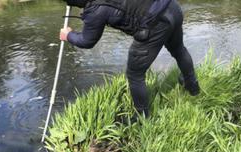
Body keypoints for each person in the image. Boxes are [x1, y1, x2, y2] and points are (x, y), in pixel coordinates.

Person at [60, 0, 200, 118]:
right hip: (170, 7)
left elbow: (86, 41)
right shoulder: (95, 9)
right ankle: (193, 87)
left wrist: (68, 35)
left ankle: (142, 117)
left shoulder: (95, 10)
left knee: (135, 74)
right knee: (179, 50)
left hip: (156, 24)